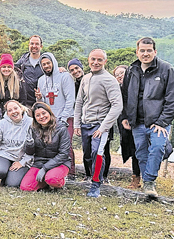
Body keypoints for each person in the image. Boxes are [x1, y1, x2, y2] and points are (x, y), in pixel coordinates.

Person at [121, 37, 174, 198]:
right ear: (137, 52)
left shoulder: (166, 69)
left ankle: (149, 182)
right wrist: (125, 116)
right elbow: (125, 95)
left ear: (155, 51)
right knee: (141, 153)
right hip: (137, 122)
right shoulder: (131, 70)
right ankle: (148, 183)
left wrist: (162, 121)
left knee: (158, 148)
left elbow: (173, 98)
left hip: (158, 122)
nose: (145, 54)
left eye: (149, 50)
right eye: (142, 50)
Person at [74, 49, 123, 198]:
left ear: (105, 62)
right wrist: (77, 124)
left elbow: (117, 105)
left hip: (99, 124)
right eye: (93, 59)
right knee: (87, 154)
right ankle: (90, 178)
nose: (96, 62)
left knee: (98, 153)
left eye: (99, 60)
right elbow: (79, 102)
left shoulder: (109, 80)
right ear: (89, 60)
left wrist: (103, 128)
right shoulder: (86, 78)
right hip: (85, 123)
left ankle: (96, 185)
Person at [35, 52, 76, 180]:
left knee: (66, 145)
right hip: (48, 119)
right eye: (43, 64)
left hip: (66, 117)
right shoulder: (41, 80)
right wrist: (39, 98)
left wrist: (63, 118)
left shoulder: (65, 77)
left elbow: (70, 99)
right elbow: (43, 105)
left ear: (53, 62)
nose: (46, 66)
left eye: (48, 63)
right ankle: (53, 171)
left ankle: (71, 173)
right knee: (51, 145)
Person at [20, 102, 72, 191]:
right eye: (38, 115)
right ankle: (45, 182)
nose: (41, 117)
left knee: (52, 179)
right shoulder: (33, 129)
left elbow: (64, 154)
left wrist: (45, 168)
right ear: (35, 118)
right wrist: (29, 144)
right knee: (25, 187)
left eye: (44, 113)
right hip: (40, 162)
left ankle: (59, 182)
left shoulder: (61, 128)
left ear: (49, 113)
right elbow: (29, 152)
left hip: (59, 163)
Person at [0, 100, 33, 188]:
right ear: (7, 113)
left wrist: (22, 162)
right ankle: (4, 170)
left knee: (12, 184)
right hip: (4, 155)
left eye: (15, 108)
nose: (13, 112)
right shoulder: (2, 123)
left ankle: (10, 176)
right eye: (10, 110)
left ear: (21, 109)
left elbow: (35, 148)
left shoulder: (31, 123)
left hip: (21, 158)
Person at [113, 65, 140, 189]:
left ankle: (143, 178)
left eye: (122, 73)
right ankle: (136, 178)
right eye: (117, 75)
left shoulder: (137, 86)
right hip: (124, 123)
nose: (120, 76)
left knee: (139, 150)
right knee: (132, 150)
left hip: (139, 121)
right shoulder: (116, 90)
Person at [14, 35, 45, 106]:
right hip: (26, 102)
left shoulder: (45, 60)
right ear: (29, 45)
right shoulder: (23, 61)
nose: (34, 46)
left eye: (37, 44)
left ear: (41, 46)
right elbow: (12, 69)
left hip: (43, 100)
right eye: (32, 43)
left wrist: (60, 69)